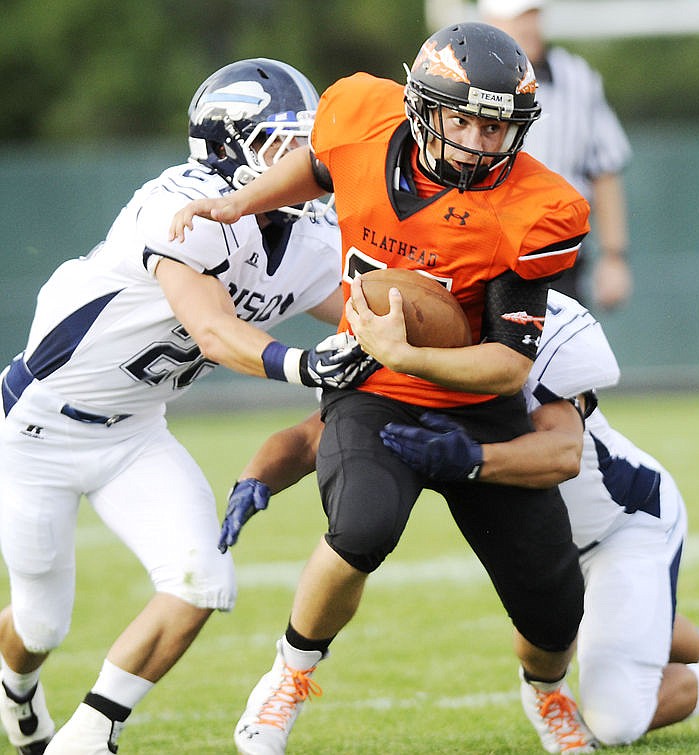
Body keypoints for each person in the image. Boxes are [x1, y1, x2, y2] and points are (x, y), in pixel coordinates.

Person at [171, 22, 598, 754]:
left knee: (555, 604)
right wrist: (242, 202)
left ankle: (548, 692)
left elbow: (508, 365)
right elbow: (319, 164)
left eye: (498, 127)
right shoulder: (362, 116)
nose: (479, 141)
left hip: (474, 403)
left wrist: (410, 351)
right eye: (462, 119)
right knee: (362, 526)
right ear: (421, 109)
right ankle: (289, 672)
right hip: (371, 386)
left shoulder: (533, 209)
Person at [0, 58, 375, 755]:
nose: (305, 160)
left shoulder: (309, 237)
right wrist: (301, 365)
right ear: (229, 145)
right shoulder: (180, 206)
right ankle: (13, 687)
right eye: (285, 143)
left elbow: (368, 312)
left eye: (309, 144)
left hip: (137, 433)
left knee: (203, 577)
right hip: (39, 431)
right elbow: (212, 330)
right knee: (42, 626)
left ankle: (87, 735)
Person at [222, 289, 699, 752]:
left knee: (616, 721)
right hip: (559, 540)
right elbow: (315, 437)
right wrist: (256, 478)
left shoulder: (532, 322)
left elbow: (564, 452)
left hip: (621, 529)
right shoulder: (402, 319)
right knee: (609, 620)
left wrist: (474, 458)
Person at [479, 0, 633, 311]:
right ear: (490, 20)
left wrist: (614, 257)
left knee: (560, 354)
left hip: (559, 254)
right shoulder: (469, 77)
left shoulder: (577, 77)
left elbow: (604, 168)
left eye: (532, 15)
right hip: (484, 253)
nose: (527, 26)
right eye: (517, 18)